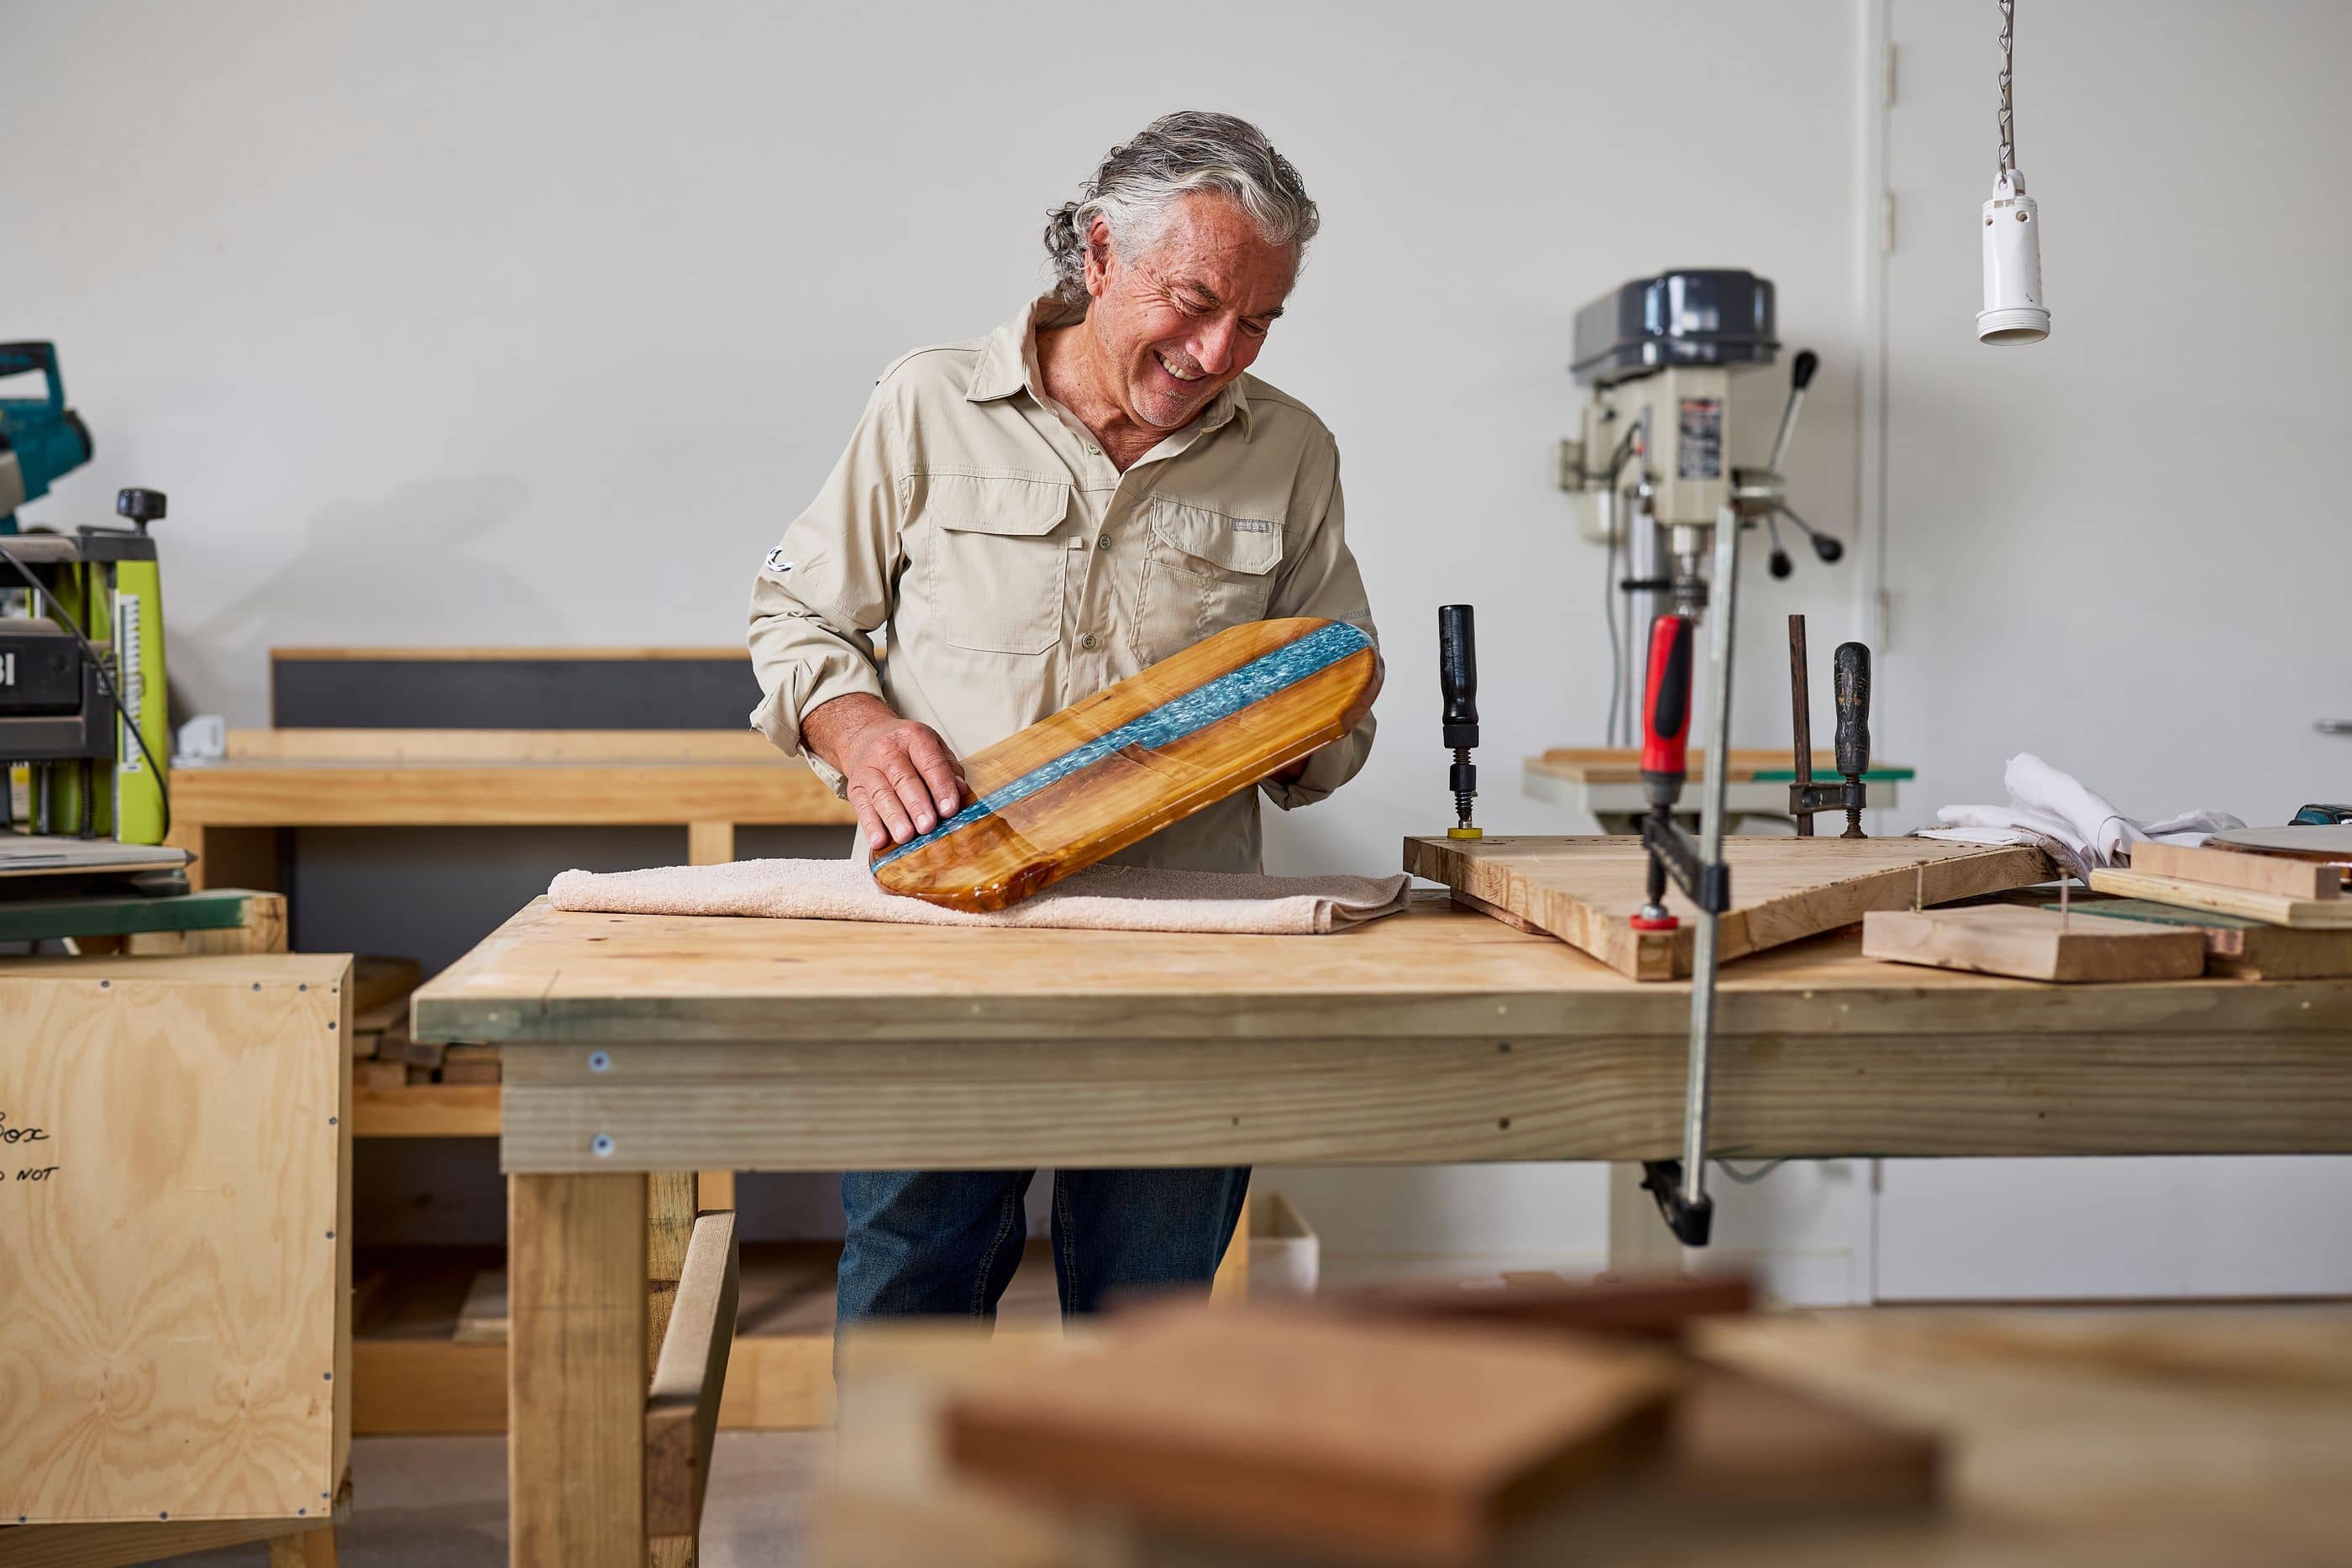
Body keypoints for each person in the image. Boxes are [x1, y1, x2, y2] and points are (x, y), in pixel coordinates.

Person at [748, 110, 1378, 1325]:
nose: (1218, 350)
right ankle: (910, 1522)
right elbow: (796, 620)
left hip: (1188, 948)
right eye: (1192, 301)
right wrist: (864, 732)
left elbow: (1338, 691)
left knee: (1151, 1313)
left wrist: (1302, 730)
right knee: (912, 1281)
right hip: (940, 930)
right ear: (1098, 257)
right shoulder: (929, 401)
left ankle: (1121, 1523)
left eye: (1256, 320)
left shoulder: (1292, 451)